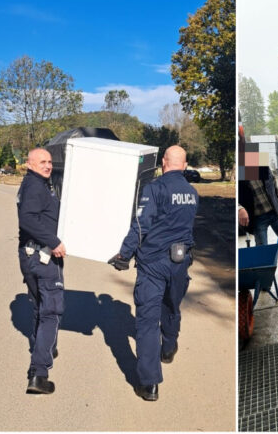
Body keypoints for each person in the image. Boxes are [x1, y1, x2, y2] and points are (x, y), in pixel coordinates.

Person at [108, 145, 199, 401]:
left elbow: (141, 225)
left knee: (147, 321)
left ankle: (149, 384)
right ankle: (168, 348)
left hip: (153, 264)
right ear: (185, 164)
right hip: (181, 261)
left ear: (163, 163)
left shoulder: (154, 189)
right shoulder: (192, 194)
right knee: (171, 307)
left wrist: (124, 254)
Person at [17, 148, 67, 394]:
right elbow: (26, 219)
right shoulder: (35, 187)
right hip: (44, 256)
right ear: (29, 164)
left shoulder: (33, 185)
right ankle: (39, 373)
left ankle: (44, 347)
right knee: (51, 312)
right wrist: (54, 241)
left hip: (30, 255)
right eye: (42, 162)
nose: (48, 165)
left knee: (40, 306)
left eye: (49, 161)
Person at [237, 136, 278, 269]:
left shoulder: (262, 166)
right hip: (257, 217)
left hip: (274, 210)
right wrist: (239, 208)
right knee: (262, 248)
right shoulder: (240, 174)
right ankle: (264, 271)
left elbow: (273, 184)